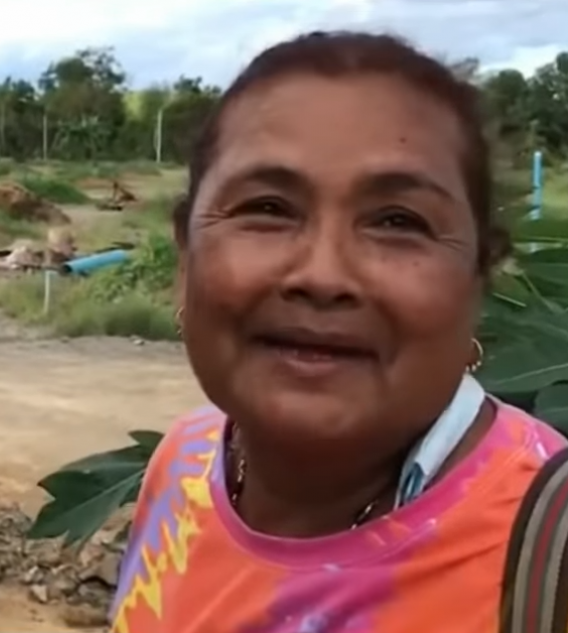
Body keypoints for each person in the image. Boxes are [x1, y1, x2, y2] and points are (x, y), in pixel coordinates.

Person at [108, 31, 568, 633]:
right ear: (185, 255)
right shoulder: (182, 462)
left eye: (398, 221)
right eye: (267, 209)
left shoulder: (549, 553)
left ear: (479, 275)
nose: (323, 275)